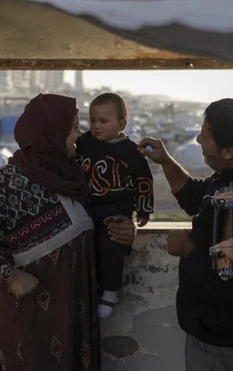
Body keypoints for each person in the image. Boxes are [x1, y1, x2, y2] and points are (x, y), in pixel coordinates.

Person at [0, 93, 137, 371]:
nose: (79, 135)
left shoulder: (76, 175)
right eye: (73, 128)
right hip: (33, 322)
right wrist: (9, 276)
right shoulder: (9, 184)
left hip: (76, 316)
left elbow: (106, 212)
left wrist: (126, 228)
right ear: (52, 134)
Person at [138, 98, 233, 371]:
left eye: (206, 136)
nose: (199, 140)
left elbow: (227, 282)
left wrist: (187, 248)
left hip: (222, 343)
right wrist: (165, 161)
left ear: (228, 151)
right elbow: (197, 198)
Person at [76, 92, 154, 318]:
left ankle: (111, 292)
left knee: (112, 244)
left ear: (121, 124)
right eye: (92, 120)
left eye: (104, 121)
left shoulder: (131, 152)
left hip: (116, 210)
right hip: (88, 208)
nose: (96, 126)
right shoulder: (84, 143)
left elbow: (144, 181)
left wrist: (143, 210)